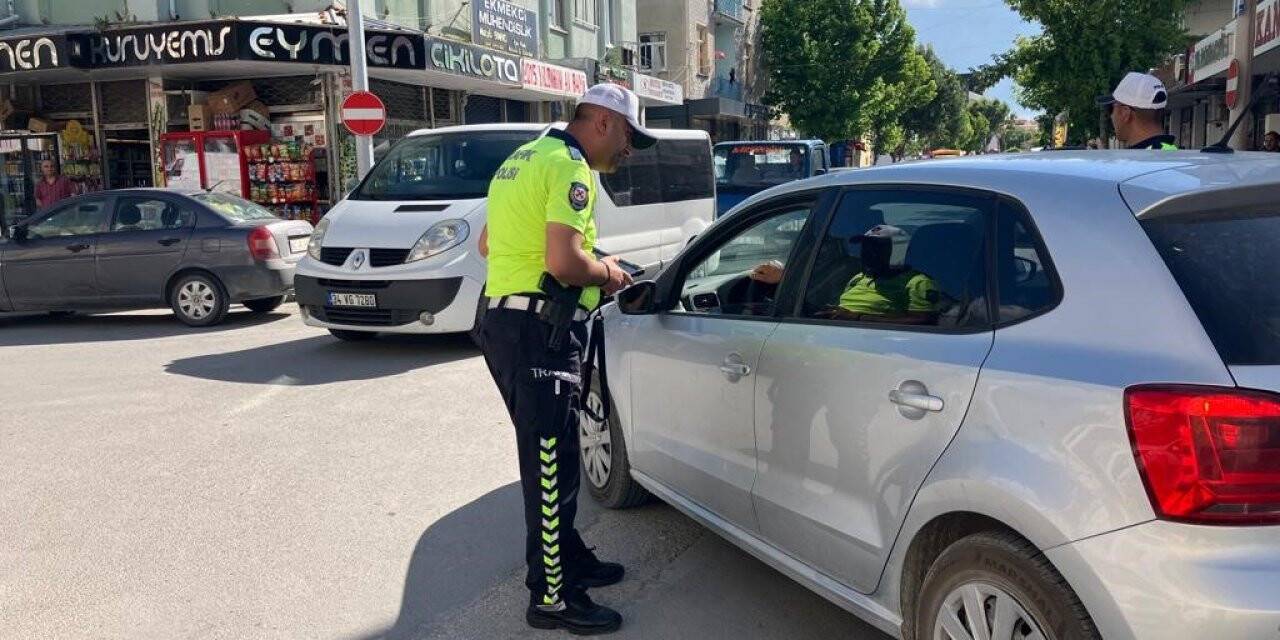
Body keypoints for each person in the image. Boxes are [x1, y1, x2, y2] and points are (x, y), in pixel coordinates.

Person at [480, 83, 650, 635]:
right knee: (551, 466)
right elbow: (562, 262)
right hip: (540, 331)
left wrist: (587, 259)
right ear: (602, 121)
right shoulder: (572, 167)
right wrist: (608, 272)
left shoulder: (525, 157)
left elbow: (489, 242)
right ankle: (552, 598)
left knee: (552, 456)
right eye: (628, 135)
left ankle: (568, 557)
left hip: (505, 323)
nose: (629, 148)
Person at [750, 225, 939, 324]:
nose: (866, 254)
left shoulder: (917, 282)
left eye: (875, 249)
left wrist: (858, 318)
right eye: (865, 248)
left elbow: (923, 319)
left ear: (897, 253)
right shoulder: (859, 277)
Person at [1097, 72, 1178, 150]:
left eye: (1111, 109)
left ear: (1125, 113)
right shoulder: (1173, 154)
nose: (1111, 116)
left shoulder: (1143, 160)